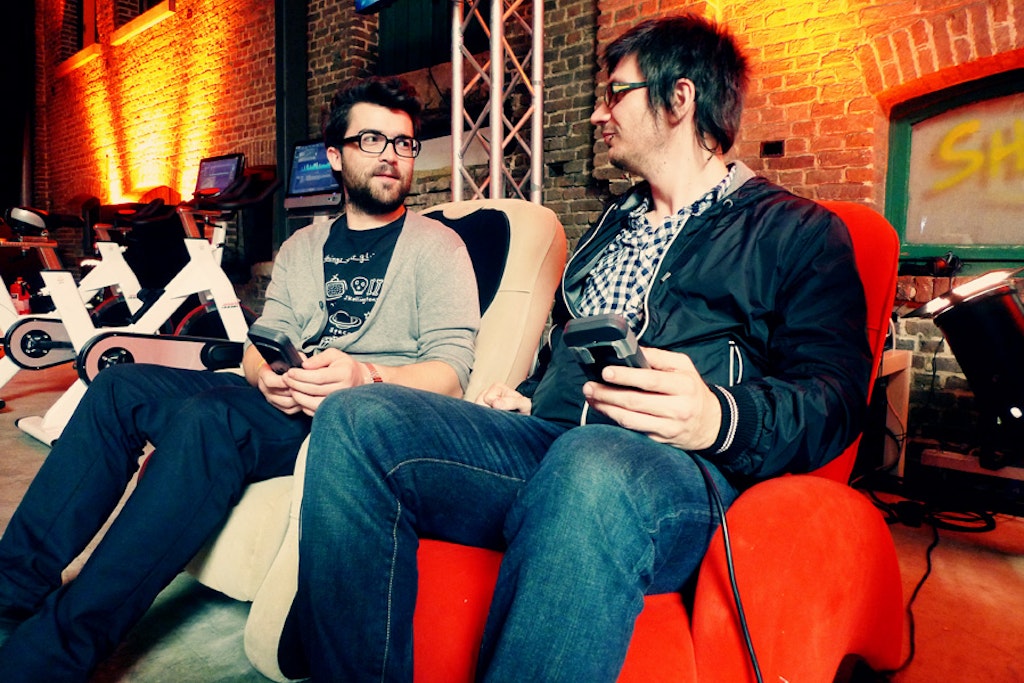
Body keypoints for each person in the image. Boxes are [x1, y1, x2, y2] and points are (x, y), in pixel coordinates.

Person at [294, 13, 871, 682]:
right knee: (358, 416)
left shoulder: (798, 232)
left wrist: (716, 415)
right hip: (555, 444)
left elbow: (835, 397)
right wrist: (531, 394)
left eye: (615, 93)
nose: (599, 113)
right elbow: (568, 348)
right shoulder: (612, 225)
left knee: (593, 460)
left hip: (682, 472)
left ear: (679, 98)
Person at [0, 76, 479, 681]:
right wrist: (263, 376)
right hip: (285, 397)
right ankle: (11, 589)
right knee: (120, 387)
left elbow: (452, 373)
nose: (391, 155)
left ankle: (54, 652)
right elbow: (261, 340)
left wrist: (364, 376)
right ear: (336, 156)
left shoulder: (438, 247)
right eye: (372, 140)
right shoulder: (304, 245)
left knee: (212, 419)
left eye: (404, 143)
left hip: (351, 422)